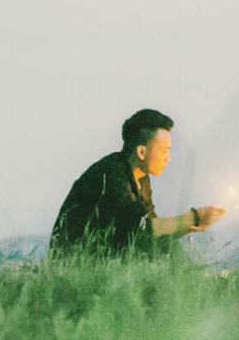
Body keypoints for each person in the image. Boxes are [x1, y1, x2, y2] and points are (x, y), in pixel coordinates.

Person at [49, 108, 228, 258]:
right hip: (77, 263)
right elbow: (141, 228)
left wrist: (188, 227)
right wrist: (195, 216)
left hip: (106, 257)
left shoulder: (140, 177)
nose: (168, 158)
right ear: (142, 152)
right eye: (164, 151)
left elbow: (150, 231)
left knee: (165, 248)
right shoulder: (110, 175)